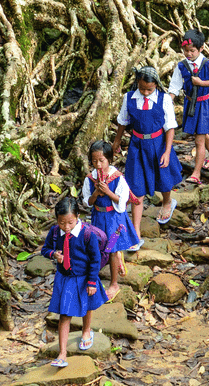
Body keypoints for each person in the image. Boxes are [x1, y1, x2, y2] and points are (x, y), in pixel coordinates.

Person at [112, 66, 183, 228]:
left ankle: (167, 202)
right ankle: (136, 230)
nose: (145, 92)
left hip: (158, 144)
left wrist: (167, 151)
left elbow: (170, 127)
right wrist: (117, 140)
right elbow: (123, 121)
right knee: (136, 183)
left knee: (163, 177)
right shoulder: (129, 98)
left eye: (149, 89)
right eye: (142, 88)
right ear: (137, 83)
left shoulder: (163, 99)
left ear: (156, 85)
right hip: (137, 145)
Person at [40, 195, 106, 367]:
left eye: (70, 222)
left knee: (88, 306)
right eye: (62, 222)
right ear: (57, 220)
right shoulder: (55, 232)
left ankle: (86, 331)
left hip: (84, 277)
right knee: (64, 314)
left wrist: (92, 281)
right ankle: (62, 354)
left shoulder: (87, 234)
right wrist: (53, 254)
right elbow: (45, 249)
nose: (66, 227)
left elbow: (95, 259)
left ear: (77, 217)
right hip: (66, 278)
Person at [83, 140, 140, 298]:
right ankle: (114, 264)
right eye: (94, 161)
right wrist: (95, 194)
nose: (98, 164)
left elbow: (122, 202)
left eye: (102, 160)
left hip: (115, 219)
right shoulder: (90, 179)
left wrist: (108, 192)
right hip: (98, 217)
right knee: (99, 246)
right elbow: (87, 202)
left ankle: (114, 284)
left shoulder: (117, 178)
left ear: (109, 159)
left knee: (112, 249)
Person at [167, 30, 209, 183]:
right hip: (190, 103)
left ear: (201, 49)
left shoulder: (208, 64)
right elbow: (175, 86)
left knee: (199, 140)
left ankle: (196, 174)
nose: (189, 54)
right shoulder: (181, 66)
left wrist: (202, 83)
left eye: (192, 51)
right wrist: (168, 102)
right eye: (186, 51)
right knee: (201, 131)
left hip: (205, 104)